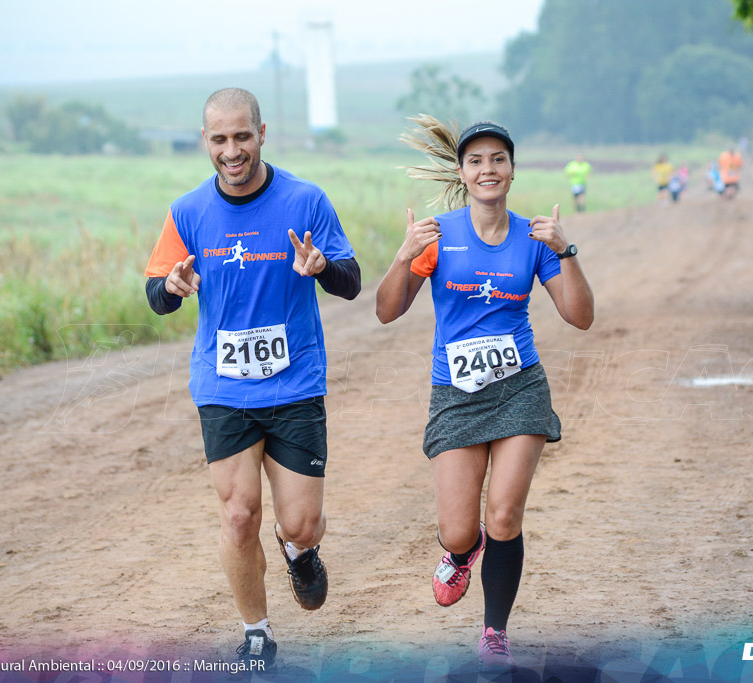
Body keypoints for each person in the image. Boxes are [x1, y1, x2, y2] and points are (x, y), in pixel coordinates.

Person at [143, 87, 361, 669]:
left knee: (302, 521)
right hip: (224, 386)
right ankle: (256, 632)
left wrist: (322, 268)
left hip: (294, 384)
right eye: (220, 139)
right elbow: (157, 294)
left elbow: (351, 279)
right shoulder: (187, 211)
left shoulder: (306, 200)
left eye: (242, 136)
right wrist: (170, 288)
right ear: (205, 142)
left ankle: (298, 551)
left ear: (262, 133)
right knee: (239, 515)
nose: (232, 150)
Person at [376, 117, 594, 672]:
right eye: (477, 161)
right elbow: (387, 310)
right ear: (463, 173)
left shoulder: (534, 238)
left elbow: (581, 317)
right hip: (455, 391)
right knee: (459, 529)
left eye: (498, 159)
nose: (488, 169)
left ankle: (494, 630)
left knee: (503, 516)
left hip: (519, 387)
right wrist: (404, 255)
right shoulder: (438, 235)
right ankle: (461, 552)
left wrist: (566, 251)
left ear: (512, 171)